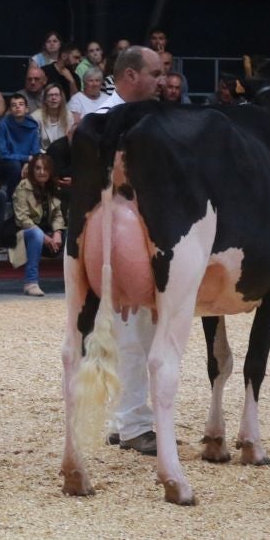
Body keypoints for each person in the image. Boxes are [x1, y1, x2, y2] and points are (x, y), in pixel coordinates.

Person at [102, 46, 164, 455]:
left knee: (129, 333)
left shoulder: (139, 117)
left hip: (135, 236)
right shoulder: (109, 120)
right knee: (135, 333)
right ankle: (135, 426)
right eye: (154, 74)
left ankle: (121, 418)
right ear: (130, 75)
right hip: (121, 238)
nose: (162, 82)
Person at [11, 152, 64, 295]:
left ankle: (74, 281)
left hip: (48, 232)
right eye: (38, 168)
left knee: (74, 233)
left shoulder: (53, 187)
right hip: (25, 233)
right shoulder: (23, 186)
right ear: (32, 170)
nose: (42, 172)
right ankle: (31, 282)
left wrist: (57, 233)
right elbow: (22, 218)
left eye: (45, 169)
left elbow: (58, 214)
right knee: (36, 234)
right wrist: (45, 237)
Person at [0, 92, 40, 191]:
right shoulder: (3, 125)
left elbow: (35, 151)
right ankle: (11, 196)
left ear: (26, 109)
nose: (17, 107)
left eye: (21, 104)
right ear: (10, 110)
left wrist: (28, 163)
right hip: (7, 163)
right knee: (15, 165)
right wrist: (26, 158)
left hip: (27, 161)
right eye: (14, 105)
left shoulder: (33, 126)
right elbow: (2, 153)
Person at [31, 82, 73, 148]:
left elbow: (70, 140)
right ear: (45, 100)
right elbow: (34, 143)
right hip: (43, 153)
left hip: (63, 152)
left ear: (61, 98)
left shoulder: (68, 115)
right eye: (50, 95)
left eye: (56, 95)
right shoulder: (35, 117)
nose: (53, 98)